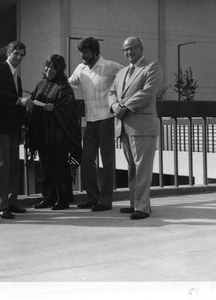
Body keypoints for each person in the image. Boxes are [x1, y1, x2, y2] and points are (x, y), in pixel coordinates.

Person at [108, 37, 161, 220]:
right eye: (125, 50)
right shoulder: (121, 72)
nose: (128, 52)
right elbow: (112, 92)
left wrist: (125, 107)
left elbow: (147, 92)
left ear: (141, 48)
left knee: (143, 169)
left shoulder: (151, 67)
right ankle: (134, 203)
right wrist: (115, 106)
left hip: (143, 127)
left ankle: (143, 208)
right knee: (132, 168)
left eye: (132, 49)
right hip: (124, 126)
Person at [69, 37, 123, 212]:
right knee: (86, 159)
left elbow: (129, 77)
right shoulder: (81, 69)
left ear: (95, 52)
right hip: (90, 120)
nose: (82, 55)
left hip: (107, 118)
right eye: (81, 52)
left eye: (85, 52)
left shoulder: (110, 66)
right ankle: (93, 197)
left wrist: (121, 101)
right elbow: (69, 84)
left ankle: (106, 200)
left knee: (107, 161)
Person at [26, 55, 82, 210]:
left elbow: (69, 109)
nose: (49, 71)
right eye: (48, 67)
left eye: (54, 68)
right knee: (45, 167)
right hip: (42, 134)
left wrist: (55, 108)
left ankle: (63, 200)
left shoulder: (64, 86)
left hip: (59, 136)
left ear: (60, 70)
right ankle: (48, 198)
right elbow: (33, 102)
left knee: (60, 167)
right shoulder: (40, 84)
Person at [0, 40, 34, 219]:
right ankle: (1, 206)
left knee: (13, 163)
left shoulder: (18, 78)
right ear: (8, 53)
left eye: (22, 55)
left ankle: (12, 202)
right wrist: (18, 100)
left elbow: (18, 104)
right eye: (16, 53)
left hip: (14, 126)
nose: (19, 57)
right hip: (0, 124)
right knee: (2, 163)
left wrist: (22, 125)